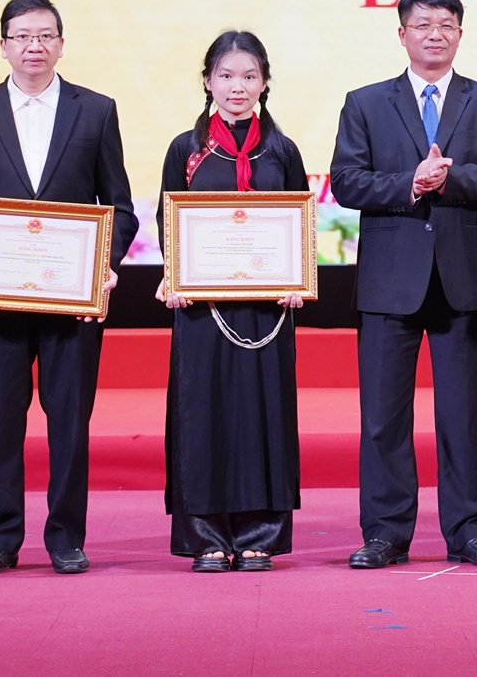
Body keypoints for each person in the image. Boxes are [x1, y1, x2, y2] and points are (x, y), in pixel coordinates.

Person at [330, 0, 477, 569]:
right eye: (422, 24)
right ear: (402, 34)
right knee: (383, 417)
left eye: (445, 24)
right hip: (389, 282)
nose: (434, 34)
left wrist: (451, 177)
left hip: (462, 279)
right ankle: (385, 533)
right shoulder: (365, 102)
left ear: (460, 34)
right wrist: (410, 184)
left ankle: (469, 529)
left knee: (463, 414)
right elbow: (346, 181)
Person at [0, 0, 138, 575]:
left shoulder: (96, 110)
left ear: (61, 44)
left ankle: (65, 537)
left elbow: (120, 207)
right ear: (3, 45)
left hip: (70, 301)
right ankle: (0, 536)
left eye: (45, 35)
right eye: (22, 36)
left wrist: (101, 268)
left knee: (70, 421)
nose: (34, 46)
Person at [156, 32, 309, 572]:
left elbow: (300, 222)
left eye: (248, 76)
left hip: (268, 311)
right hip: (203, 310)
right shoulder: (186, 149)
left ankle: (260, 535)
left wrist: (297, 277)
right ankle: (205, 537)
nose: (237, 87)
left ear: (264, 83)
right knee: (203, 415)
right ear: (207, 81)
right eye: (226, 75)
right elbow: (168, 220)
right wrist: (175, 274)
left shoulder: (282, 151)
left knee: (263, 416)